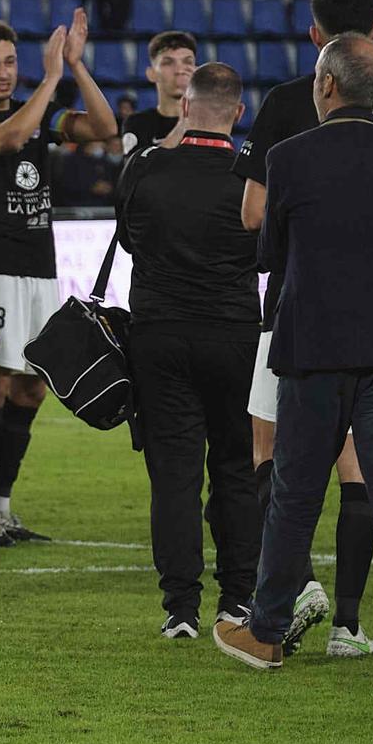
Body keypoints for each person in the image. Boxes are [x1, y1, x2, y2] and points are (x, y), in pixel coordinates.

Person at [215, 34, 373, 680]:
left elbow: (271, 257)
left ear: (328, 86)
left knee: (294, 493)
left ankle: (267, 633)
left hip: (314, 345)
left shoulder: (289, 159)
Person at [0, 12, 117, 544]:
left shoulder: (35, 114)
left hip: (39, 270)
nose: (4, 73)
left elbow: (104, 129)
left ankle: (3, 505)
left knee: (33, 387)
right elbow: (9, 139)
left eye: (10, 62)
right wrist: (49, 80)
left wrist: (74, 65)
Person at [116, 63, 260, 639]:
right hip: (233, 336)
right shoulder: (254, 173)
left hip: (160, 335)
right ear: (239, 114)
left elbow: (129, 238)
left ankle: (180, 609)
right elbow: (267, 248)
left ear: (184, 106)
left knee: (173, 476)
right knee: (235, 470)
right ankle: (237, 601)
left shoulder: (146, 167)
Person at [121, 31, 197, 155]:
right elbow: (135, 171)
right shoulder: (138, 123)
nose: (180, 70)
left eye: (187, 62)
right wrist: (181, 127)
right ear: (151, 74)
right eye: (168, 63)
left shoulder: (207, 123)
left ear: (196, 71)